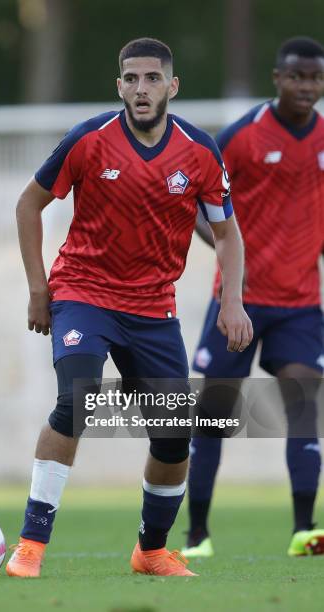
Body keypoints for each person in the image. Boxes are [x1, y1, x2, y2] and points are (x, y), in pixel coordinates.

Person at [6, 37, 252, 579]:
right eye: (131, 79)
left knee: (173, 435)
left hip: (152, 309)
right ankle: (30, 546)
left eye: (152, 79)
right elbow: (29, 204)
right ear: (119, 85)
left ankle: (151, 551)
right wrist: (37, 290)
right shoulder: (89, 140)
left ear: (172, 85)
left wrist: (232, 301)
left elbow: (228, 235)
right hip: (83, 294)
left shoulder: (199, 151)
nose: (141, 89)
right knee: (77, 398)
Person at [183, 36, 324, 559]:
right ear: (277, 78)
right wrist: (224, 252)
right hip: (239, 301)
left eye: (314, 77)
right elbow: (197, 198)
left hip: (301, 303)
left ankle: (304, 531)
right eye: (296, 76)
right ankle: (197, 535)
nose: (306, 86)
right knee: (213, 415)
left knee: (307, 406)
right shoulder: (242, 136)